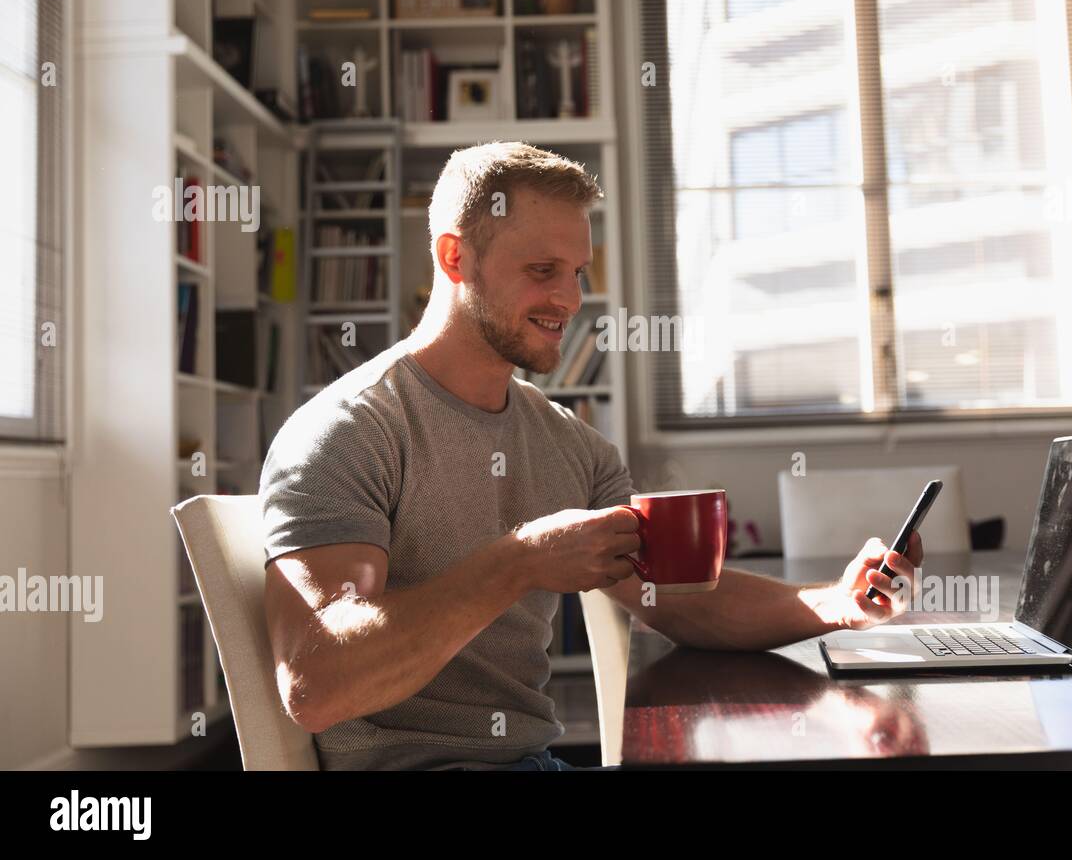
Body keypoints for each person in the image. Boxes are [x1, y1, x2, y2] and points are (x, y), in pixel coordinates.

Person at [260, 141, 923, 770]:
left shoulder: (570, 445)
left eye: (577, 273)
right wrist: (519, 562)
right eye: (542, 271)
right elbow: (318, 685)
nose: (571, 300)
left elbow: (679, 601)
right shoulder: (347, 432)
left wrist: (837, 604)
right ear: (456, 258)